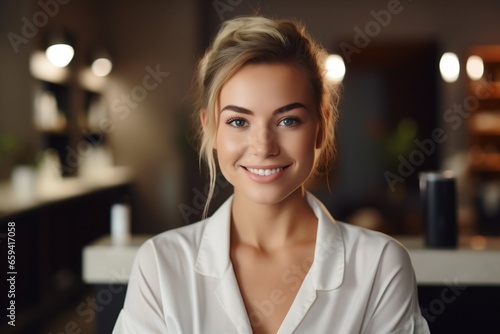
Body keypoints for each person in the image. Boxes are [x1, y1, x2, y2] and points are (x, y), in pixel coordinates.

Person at [113, 16, 430, 334]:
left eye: (288, 120)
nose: (263, 147)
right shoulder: (161, 265)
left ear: (321, 127)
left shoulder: (380, 266)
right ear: (210, 127)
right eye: (239, 121)